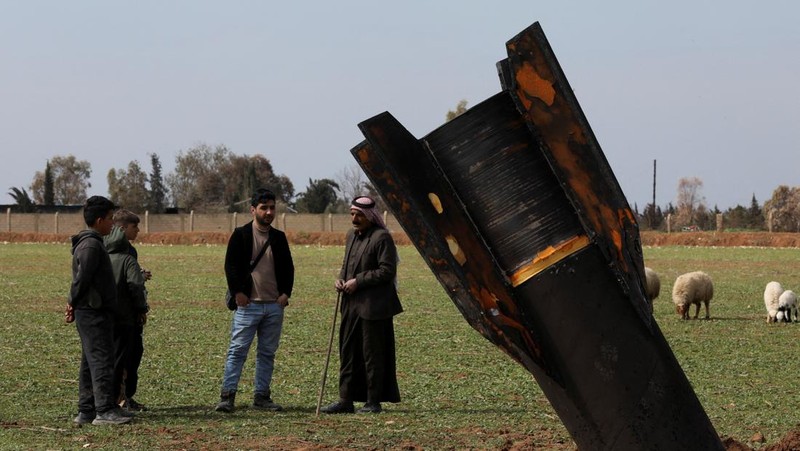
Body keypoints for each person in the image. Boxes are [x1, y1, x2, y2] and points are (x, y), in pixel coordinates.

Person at [321, 196, 403, 414]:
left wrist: (359, 281)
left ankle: (373, 401)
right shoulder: (351, 236)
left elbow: (387, 271)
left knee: (371, 354)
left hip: (373, 306)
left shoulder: (382, 237)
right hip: (350, 304)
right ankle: (345, 400)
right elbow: (347, 265)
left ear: (369, 216)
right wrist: (341, 280)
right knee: (347, 351)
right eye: (352, 214)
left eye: (359, 215)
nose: (354, 218)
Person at [215, 188, 294, 413]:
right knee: (238, 351)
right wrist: (238, 292)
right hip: (247, 305)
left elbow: (288, 267)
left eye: (272, 208)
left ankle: (262, 397)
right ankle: (227, 397)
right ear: (253, 210)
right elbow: (230, 266)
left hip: (273, 305)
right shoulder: (240, 235)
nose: (269, 212)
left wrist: (285, 294)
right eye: (264, 208)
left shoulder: (278, 238)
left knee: (267, 353)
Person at [66, 196, 133, 425]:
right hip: (93, 312)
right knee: (102, 360)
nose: (113, 224)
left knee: (90, 361)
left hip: (91, 310)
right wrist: (72, 301)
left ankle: (87, 411)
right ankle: (104, 411)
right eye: (110, 219)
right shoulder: (92, 245)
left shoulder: (92, 243)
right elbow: (82, 279)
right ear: (98, 220)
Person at [105, 209, 150, 412]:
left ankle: (124, 397)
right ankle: (119, 399)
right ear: (122, 228)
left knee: (129, 356)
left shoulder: (122, 250)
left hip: (111, 313)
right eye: (134, 227)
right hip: (126, 313)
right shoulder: (125, 253)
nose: (138, 230)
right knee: (125, 358)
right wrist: (141, 308)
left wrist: (139, 273)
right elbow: (132, 284)